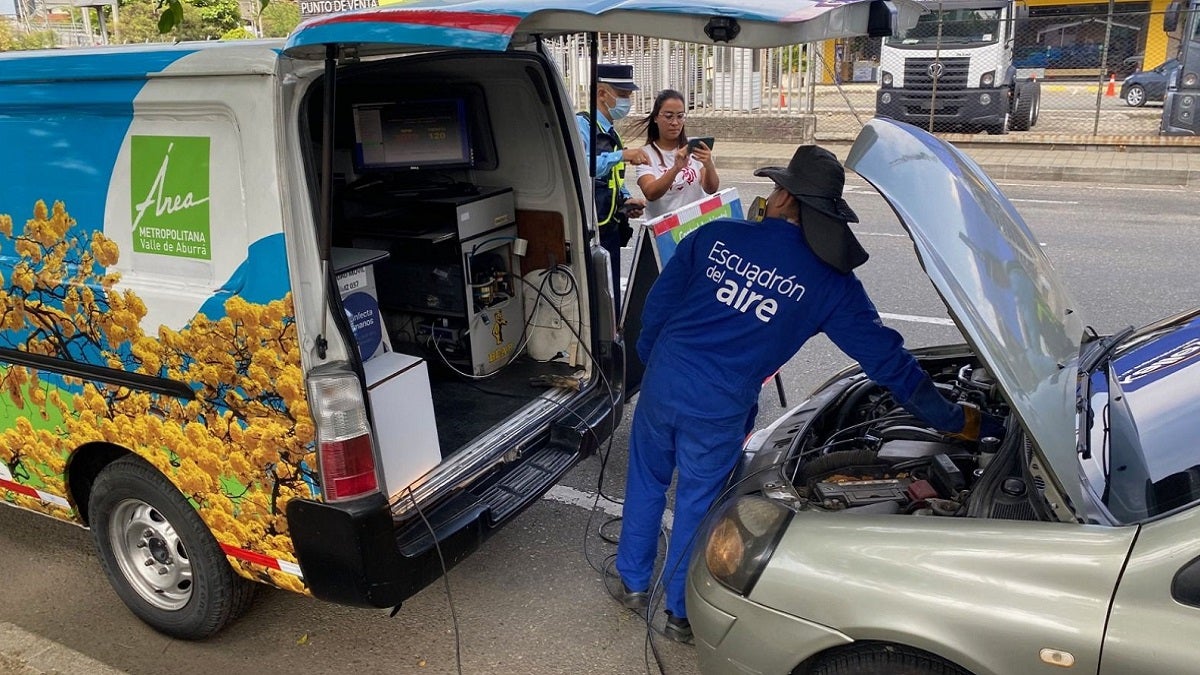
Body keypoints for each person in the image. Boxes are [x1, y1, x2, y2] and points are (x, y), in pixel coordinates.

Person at [613, 145, 1003, 643]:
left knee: (646, 481)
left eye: (777, 188)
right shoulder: (832, 288)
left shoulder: (714, 236)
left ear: (781, 198)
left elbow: (656, 311)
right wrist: (951, 418)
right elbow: (889, 363)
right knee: (699, 500)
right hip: (721, 404)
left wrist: (655, 363)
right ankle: (680, 613)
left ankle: (631, 584)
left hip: (666, 383)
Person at [575, 63, 649, 312]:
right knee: (598, 299)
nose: (627, 101)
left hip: (611, 224)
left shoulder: (609, 132)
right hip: (592, 229)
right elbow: (581, 167)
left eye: (628, 95)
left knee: (612, 294)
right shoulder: (582, 126)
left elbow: (613, 179)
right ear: (602, 94)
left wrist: (627, 200)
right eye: (622, 94)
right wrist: (622, 156)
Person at [633, 89, 719, 220]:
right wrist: (676, 168)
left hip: (698, 224)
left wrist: (709, 166)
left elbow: (711, 189)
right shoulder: (645, 154)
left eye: (680, 116)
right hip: (666, 231)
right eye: (668, 116)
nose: (675, 123)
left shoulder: (692, 146)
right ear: (656, 117)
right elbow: (650, 193)